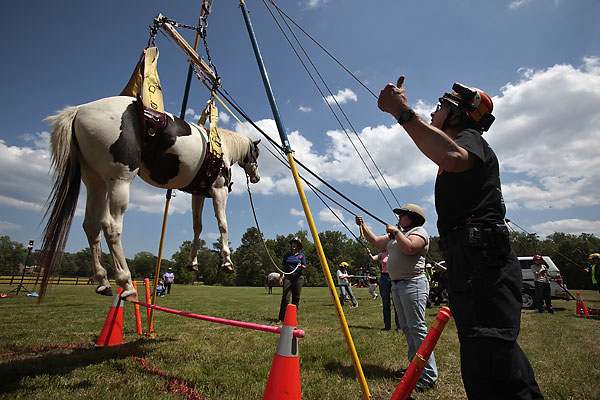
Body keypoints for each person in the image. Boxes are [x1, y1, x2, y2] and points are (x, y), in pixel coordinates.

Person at [377, 76, 543, 399]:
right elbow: (441, 150)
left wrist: (403, 113)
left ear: (457, 114)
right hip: (469, 263)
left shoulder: (470, 139)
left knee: (493, 362)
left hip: (483, 264)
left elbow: (450, 156)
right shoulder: (457, 143)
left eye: (440, 106)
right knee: (484, 363)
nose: (434, 110)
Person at [357, 204, 437, 392]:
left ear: (413, 218)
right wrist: (363, 226)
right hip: (398, 285)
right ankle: (415, 367)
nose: (399, 217)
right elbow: (376, 241)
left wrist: (396, 233)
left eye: (403, 215)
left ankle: (428, 374)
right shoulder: (398, 234)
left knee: (417, 328)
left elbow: (410, 248)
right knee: (408, 328)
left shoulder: (419, 232)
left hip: (413, 284)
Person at [368, 250, 401, 331]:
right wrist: (369, 253)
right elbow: (372, 258)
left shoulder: (397, 253)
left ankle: (399, 326)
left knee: (397, 303)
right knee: (386, 304)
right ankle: (387, 326)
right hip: (384, 278)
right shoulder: (382, 255)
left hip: (394, 277)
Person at [277, 237, 307, 324]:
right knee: (285, 297)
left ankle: (292, 318)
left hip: (298, 277)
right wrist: (280, 277)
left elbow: (305, 267)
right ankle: (281, 318)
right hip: (288, 276)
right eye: (292, 243)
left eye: (295, 243)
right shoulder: (287, 255)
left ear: (298, 246)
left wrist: (301, 265)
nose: (293, 245)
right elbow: (282, 266)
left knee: (296, 298)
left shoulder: (301, 255)